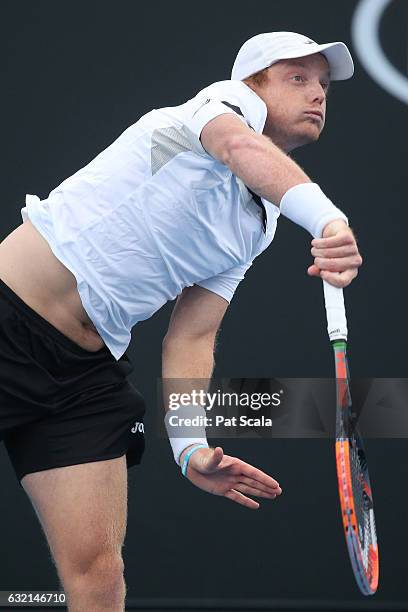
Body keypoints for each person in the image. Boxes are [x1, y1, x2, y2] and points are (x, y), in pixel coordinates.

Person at [0, 31, 362, 610]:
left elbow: (193, 334)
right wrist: (328, 220)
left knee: (98, 578)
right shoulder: (215, 108)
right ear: (252, 87)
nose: (317, 93)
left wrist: (191, 445)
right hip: (9, 319)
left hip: (83, 379)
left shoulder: (259, 223)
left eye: (323, 85)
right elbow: (240, 150)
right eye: (298, 77)